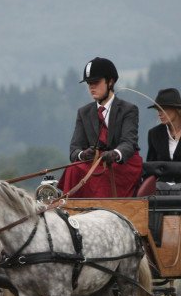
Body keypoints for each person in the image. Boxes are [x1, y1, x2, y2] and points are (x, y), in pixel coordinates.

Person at [58, 57, 143, 197]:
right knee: (72, 170)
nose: (91, 87)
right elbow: (74, 150)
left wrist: (115, 153)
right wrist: (83, 154)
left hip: (121, 164)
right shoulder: (83, 112)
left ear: (110, 82)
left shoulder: (129, 109)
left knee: (103, 175)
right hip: (95, 163)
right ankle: (70, 211)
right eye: (89, 83)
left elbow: (129, 143)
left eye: (96, 82)